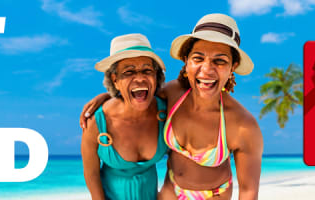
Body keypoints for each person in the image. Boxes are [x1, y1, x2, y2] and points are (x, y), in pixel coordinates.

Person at [81, 14, 264, 200]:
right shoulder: (173, 93)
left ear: (233, 66)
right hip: (170, 191)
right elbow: (138, 92)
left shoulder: (243, 126)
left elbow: (248, 191)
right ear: (186, 61)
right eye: (198, 58)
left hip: (213, 195)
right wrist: (107, 96)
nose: (207, 69)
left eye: (220, 61)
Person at [81, 33, 169, 200]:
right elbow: (91, 173)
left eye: (147, 70)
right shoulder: (97, 122)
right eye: (129, 72)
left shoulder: (167, 112)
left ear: (156, 77)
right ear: (115, 80)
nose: (140, 78)